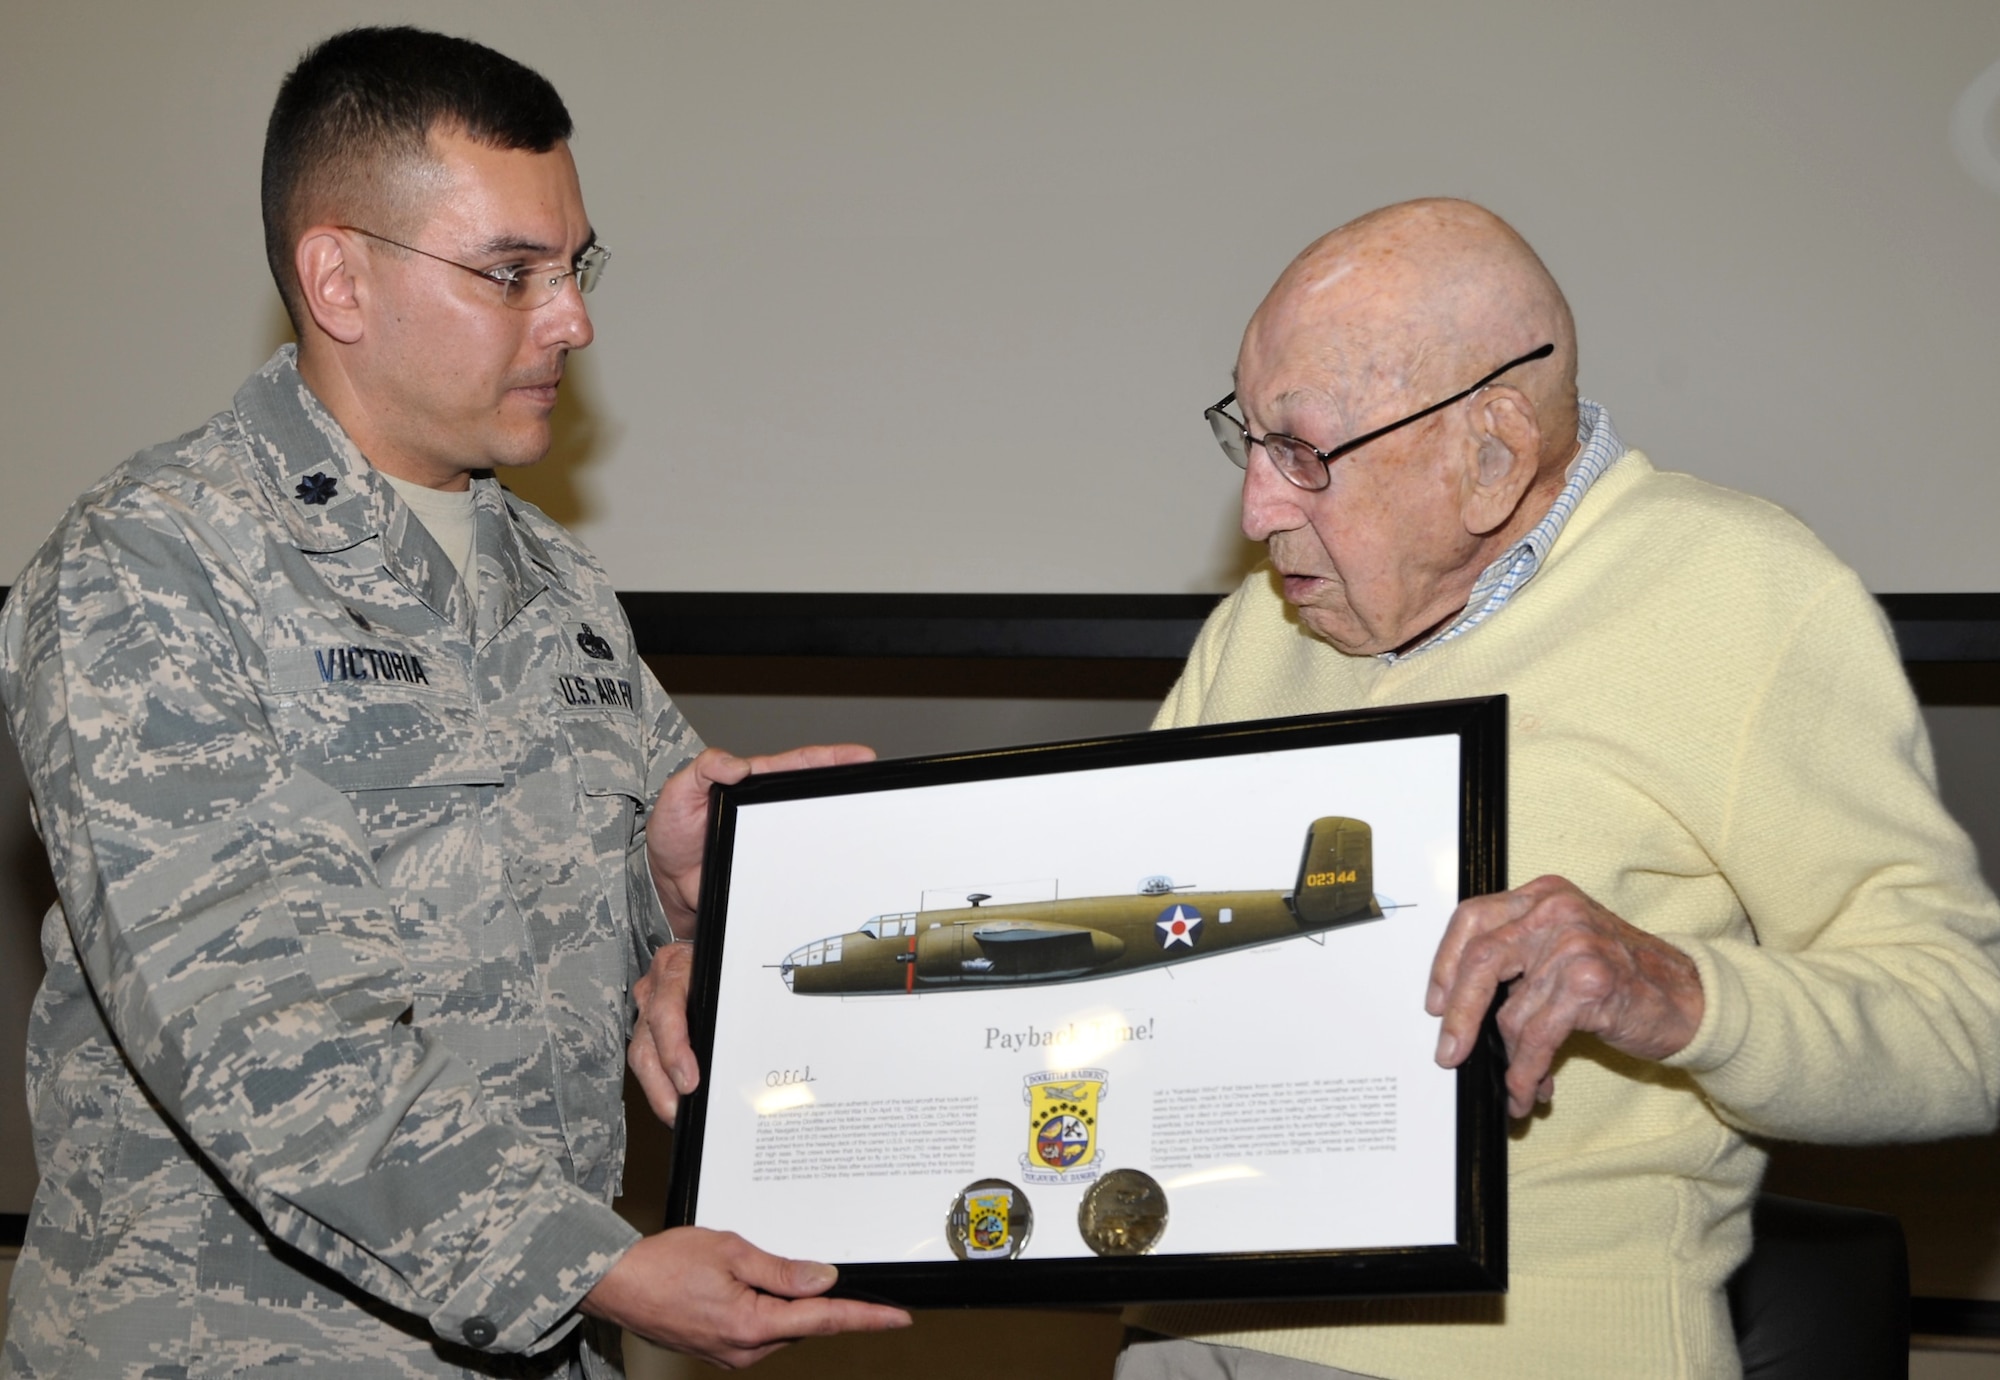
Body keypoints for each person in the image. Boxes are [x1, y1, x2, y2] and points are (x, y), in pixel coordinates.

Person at [0, 26, 907, 1378]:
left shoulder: (554, 582)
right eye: (511, 274)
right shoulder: (153, 567)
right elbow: (259, 1022)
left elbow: (559, 951)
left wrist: (663, 897)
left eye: (574, 265)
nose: (575, 319)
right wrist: (589, 1264)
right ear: (339, 277)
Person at [1109, 199, 2000, 1379]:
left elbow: (1965, 1025)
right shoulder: (1249, 633)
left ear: (1489, 449)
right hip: (1184, 1341)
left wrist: (1682, 996)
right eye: (1247, 439)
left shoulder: (1746, 595)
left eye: (1305, 451)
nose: (1257, 509)